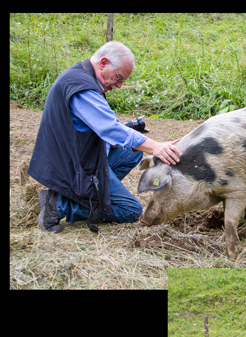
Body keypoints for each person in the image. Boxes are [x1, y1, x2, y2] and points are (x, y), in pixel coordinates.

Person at [28, 40, 182, 234]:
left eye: (122, 81)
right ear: (103, 63)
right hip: (72, 166)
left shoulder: (81, 77)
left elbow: (99, 129)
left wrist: (118, 143)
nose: (119, 85)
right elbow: (109, 128)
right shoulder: (81, 87)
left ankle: (86, 196)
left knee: (131, 152)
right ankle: (60, 204)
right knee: (130, 210)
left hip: (77, 158)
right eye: (118, 77)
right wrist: (155, 147)